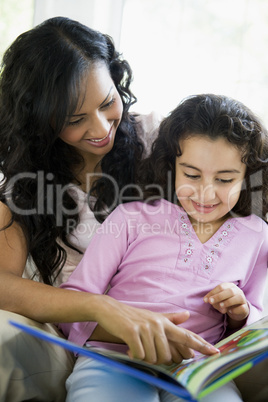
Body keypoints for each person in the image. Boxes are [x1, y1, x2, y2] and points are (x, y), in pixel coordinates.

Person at [0, 17, 218, 402]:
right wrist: (102, 308)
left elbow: (240, 162)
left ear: (117, 80)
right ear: (39, 119)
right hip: (96, 345)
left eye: (107, 103)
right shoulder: (23, 188)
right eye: (75, 119)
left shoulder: (160, 140)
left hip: (193, 333)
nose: (101, 127)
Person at [59, 94, 268, 401]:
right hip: (116, 359)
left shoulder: (257, 235)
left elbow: (255, 325)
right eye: (192, 175)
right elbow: (72, 305)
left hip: (199, 369)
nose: (205, 193)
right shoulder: (130, 218)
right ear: (172, 166)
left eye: (225, 179)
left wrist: (239, 311)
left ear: (247, 176)